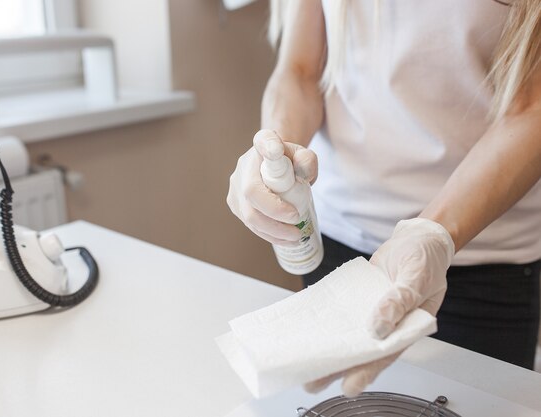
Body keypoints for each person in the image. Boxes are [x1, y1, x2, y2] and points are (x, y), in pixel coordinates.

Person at [227, 0, 541, 397]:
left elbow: (533, 108)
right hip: (339, 251)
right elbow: (302, 70)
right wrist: (276, 149)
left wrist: (433, 232)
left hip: (483, 261)